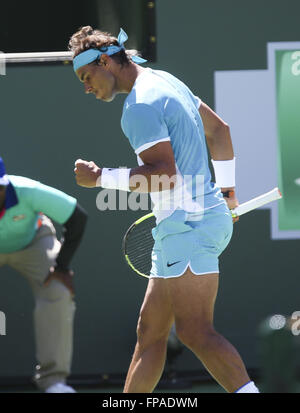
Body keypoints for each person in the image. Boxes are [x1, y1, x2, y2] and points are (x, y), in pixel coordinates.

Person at [69, 26, 259, 393]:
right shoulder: (166, 80)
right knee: (150, 334)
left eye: (86, 76)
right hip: (195, 222)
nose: (87, 87)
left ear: (106, 61)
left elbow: (164, 177)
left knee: (195, 332)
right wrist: (229, 193)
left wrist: (100, 178)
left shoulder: (138, 106)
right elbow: (220, 131)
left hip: (187, 227)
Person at [0, 157, 88, 393]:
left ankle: (53, 381)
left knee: (58, 291)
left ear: (4, 185)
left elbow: (77, 216)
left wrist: (61, 267)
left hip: (34, 242)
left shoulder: (27, 191)